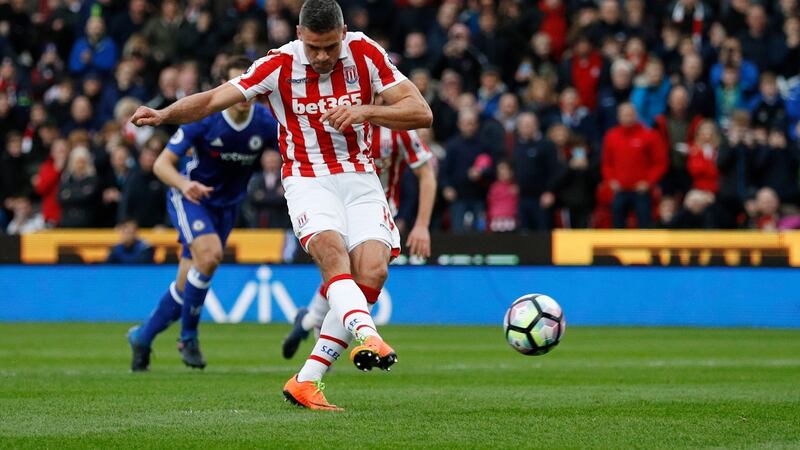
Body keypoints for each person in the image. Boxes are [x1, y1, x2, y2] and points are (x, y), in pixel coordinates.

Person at [130, 0, 432, 411]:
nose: (322, 56)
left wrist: (364, 110)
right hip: (308, 179)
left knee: (374, 269)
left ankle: (307, 381)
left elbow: (421, 112)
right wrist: (164, 113)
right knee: (331, 253)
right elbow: (212, 99)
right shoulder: (277, 64)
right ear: (298, 34)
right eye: (313, 47)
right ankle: (368, 335)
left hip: (360, 177)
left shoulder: (365, 52)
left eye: (329, 47)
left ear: (342, 33)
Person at [126, 56, 279, 372]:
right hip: (191, 198)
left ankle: (142, 337)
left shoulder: (265, 123)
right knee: (209, 257)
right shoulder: (204, 119)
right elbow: (161, 164)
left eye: (249, 85)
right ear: (225, 87)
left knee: (185, 287)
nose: (243, 93)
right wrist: (185, 184)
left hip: (227, 207)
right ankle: (189, 337)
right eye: (237, 85)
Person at [281, 121, 436, 361]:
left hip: (378, 211)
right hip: (339, 205)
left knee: (361, 274)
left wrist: (422, 225)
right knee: (341, 268)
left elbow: (426, 173)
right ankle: (323, 350)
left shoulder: (399, 130)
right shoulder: (338, 119)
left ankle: (311, 321)